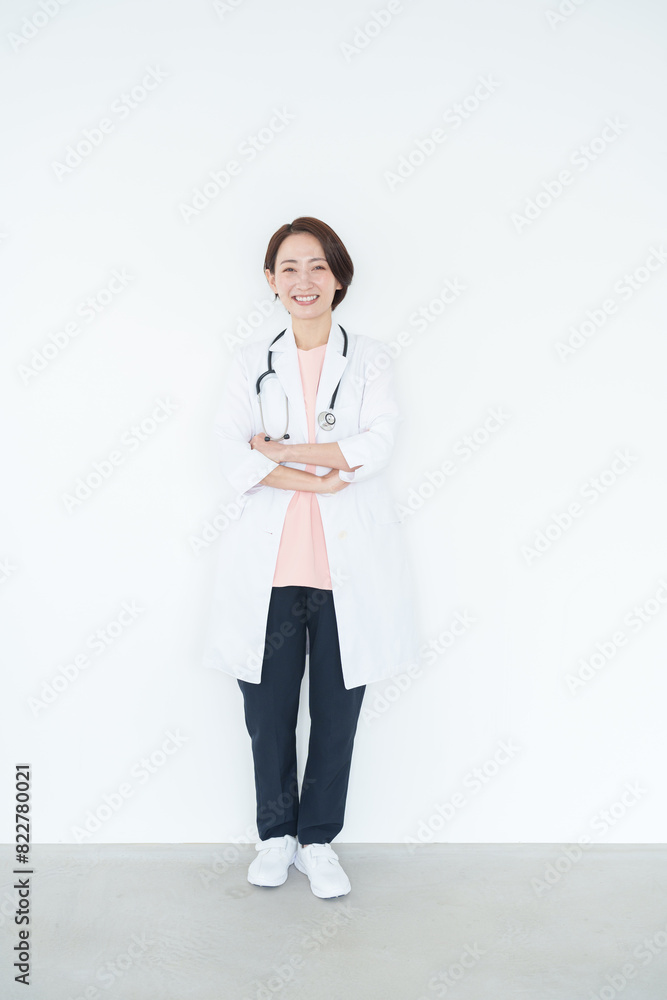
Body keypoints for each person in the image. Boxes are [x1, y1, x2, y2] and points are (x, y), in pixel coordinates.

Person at [203, 216, 420, 899]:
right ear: (270, 280)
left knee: (336, 710)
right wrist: (316, 474)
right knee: (268, 714)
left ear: (339, 277)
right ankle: (276, 836)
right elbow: (229, 453)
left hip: (345, 569)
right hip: (269, 570)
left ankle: (318, 841)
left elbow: (375, 445)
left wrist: (279, 452)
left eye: (318, 266)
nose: (304, 281)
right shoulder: (249, 362)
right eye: (290, 268)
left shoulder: (371, 359)